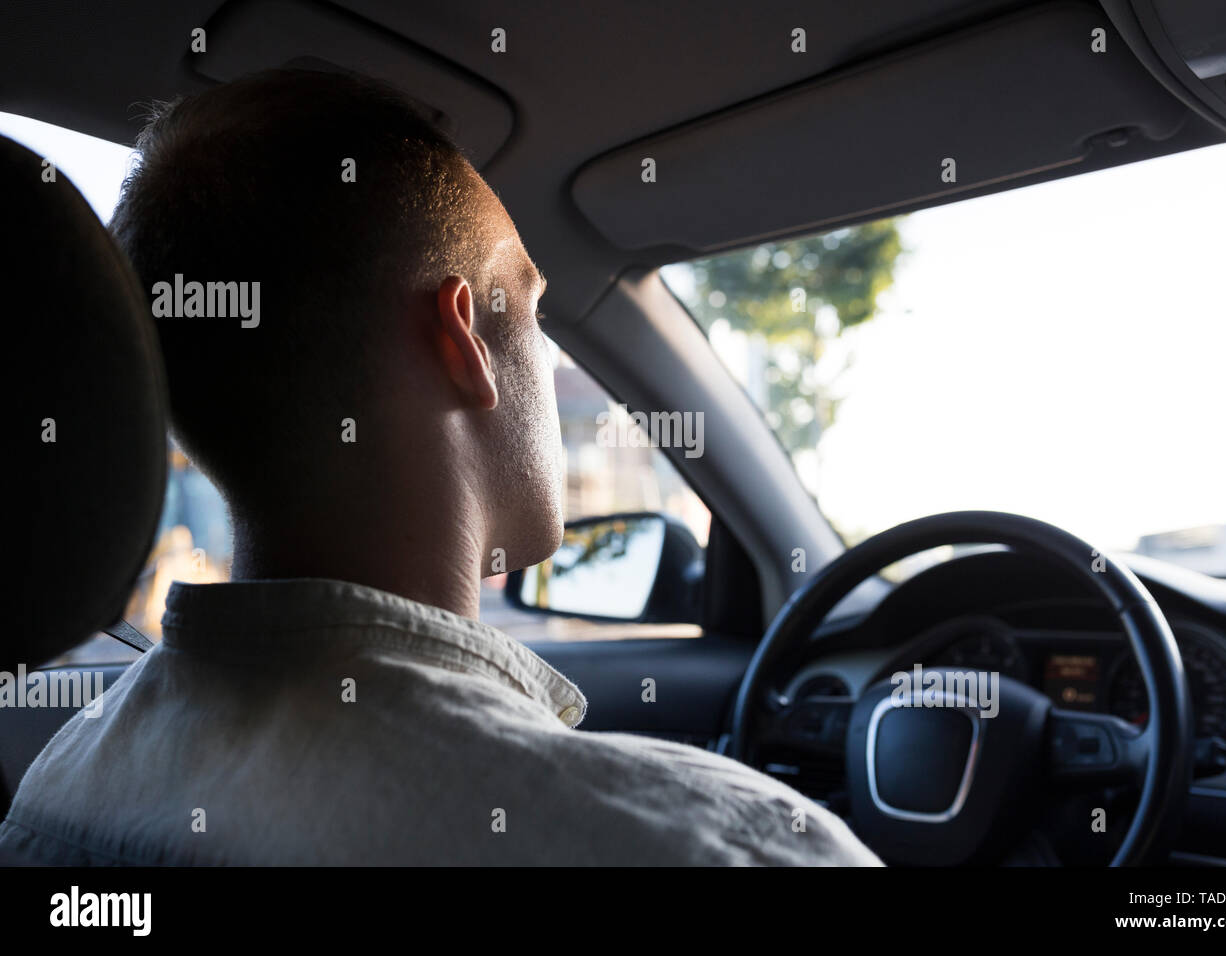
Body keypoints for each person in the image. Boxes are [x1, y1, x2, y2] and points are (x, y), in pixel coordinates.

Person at [0, 70, 880, 865]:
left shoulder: (54, 789)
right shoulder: (715, 844)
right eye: (533, 308)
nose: (538, 341)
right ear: (464, 339)